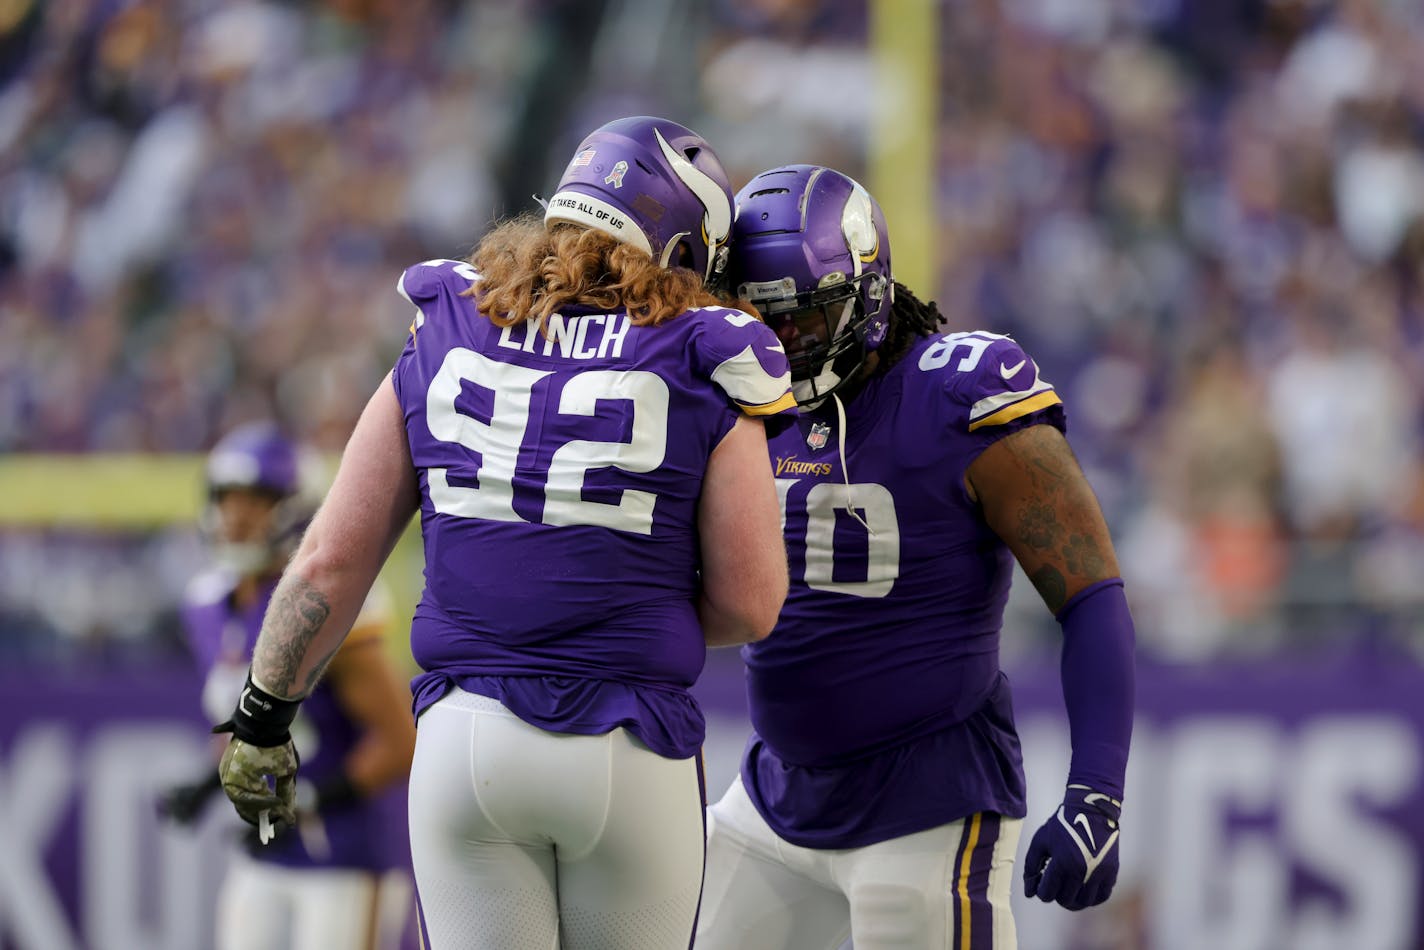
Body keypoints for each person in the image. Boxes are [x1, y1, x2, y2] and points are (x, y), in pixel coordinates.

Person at [211, 116, 796, 950]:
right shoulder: (708, 350)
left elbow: (328, 563)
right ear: (684, 248)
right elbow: (752, 601)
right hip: (624, 741)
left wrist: (263, 716)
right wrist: (618, 607)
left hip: (465, 741)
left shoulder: (450, 314)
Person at [694, 165, 1137, 950]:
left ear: (865, 294)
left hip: (926, 807)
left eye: (803, 318)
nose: (781, 342)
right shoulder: (736, 390)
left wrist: (1097, 790)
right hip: (774, 797)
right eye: (762, 320)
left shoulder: (956, 396)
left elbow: (1091, 592)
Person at [158, 421, 417, 950]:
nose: (236, 516)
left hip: (340, 852)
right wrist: (210, 787)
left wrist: (311, 800)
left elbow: (401, 741)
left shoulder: (327, 606)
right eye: (227, 500)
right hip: (265, 851)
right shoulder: (208, 604)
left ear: (294, 504)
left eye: (255, 500)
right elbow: (247, 727)